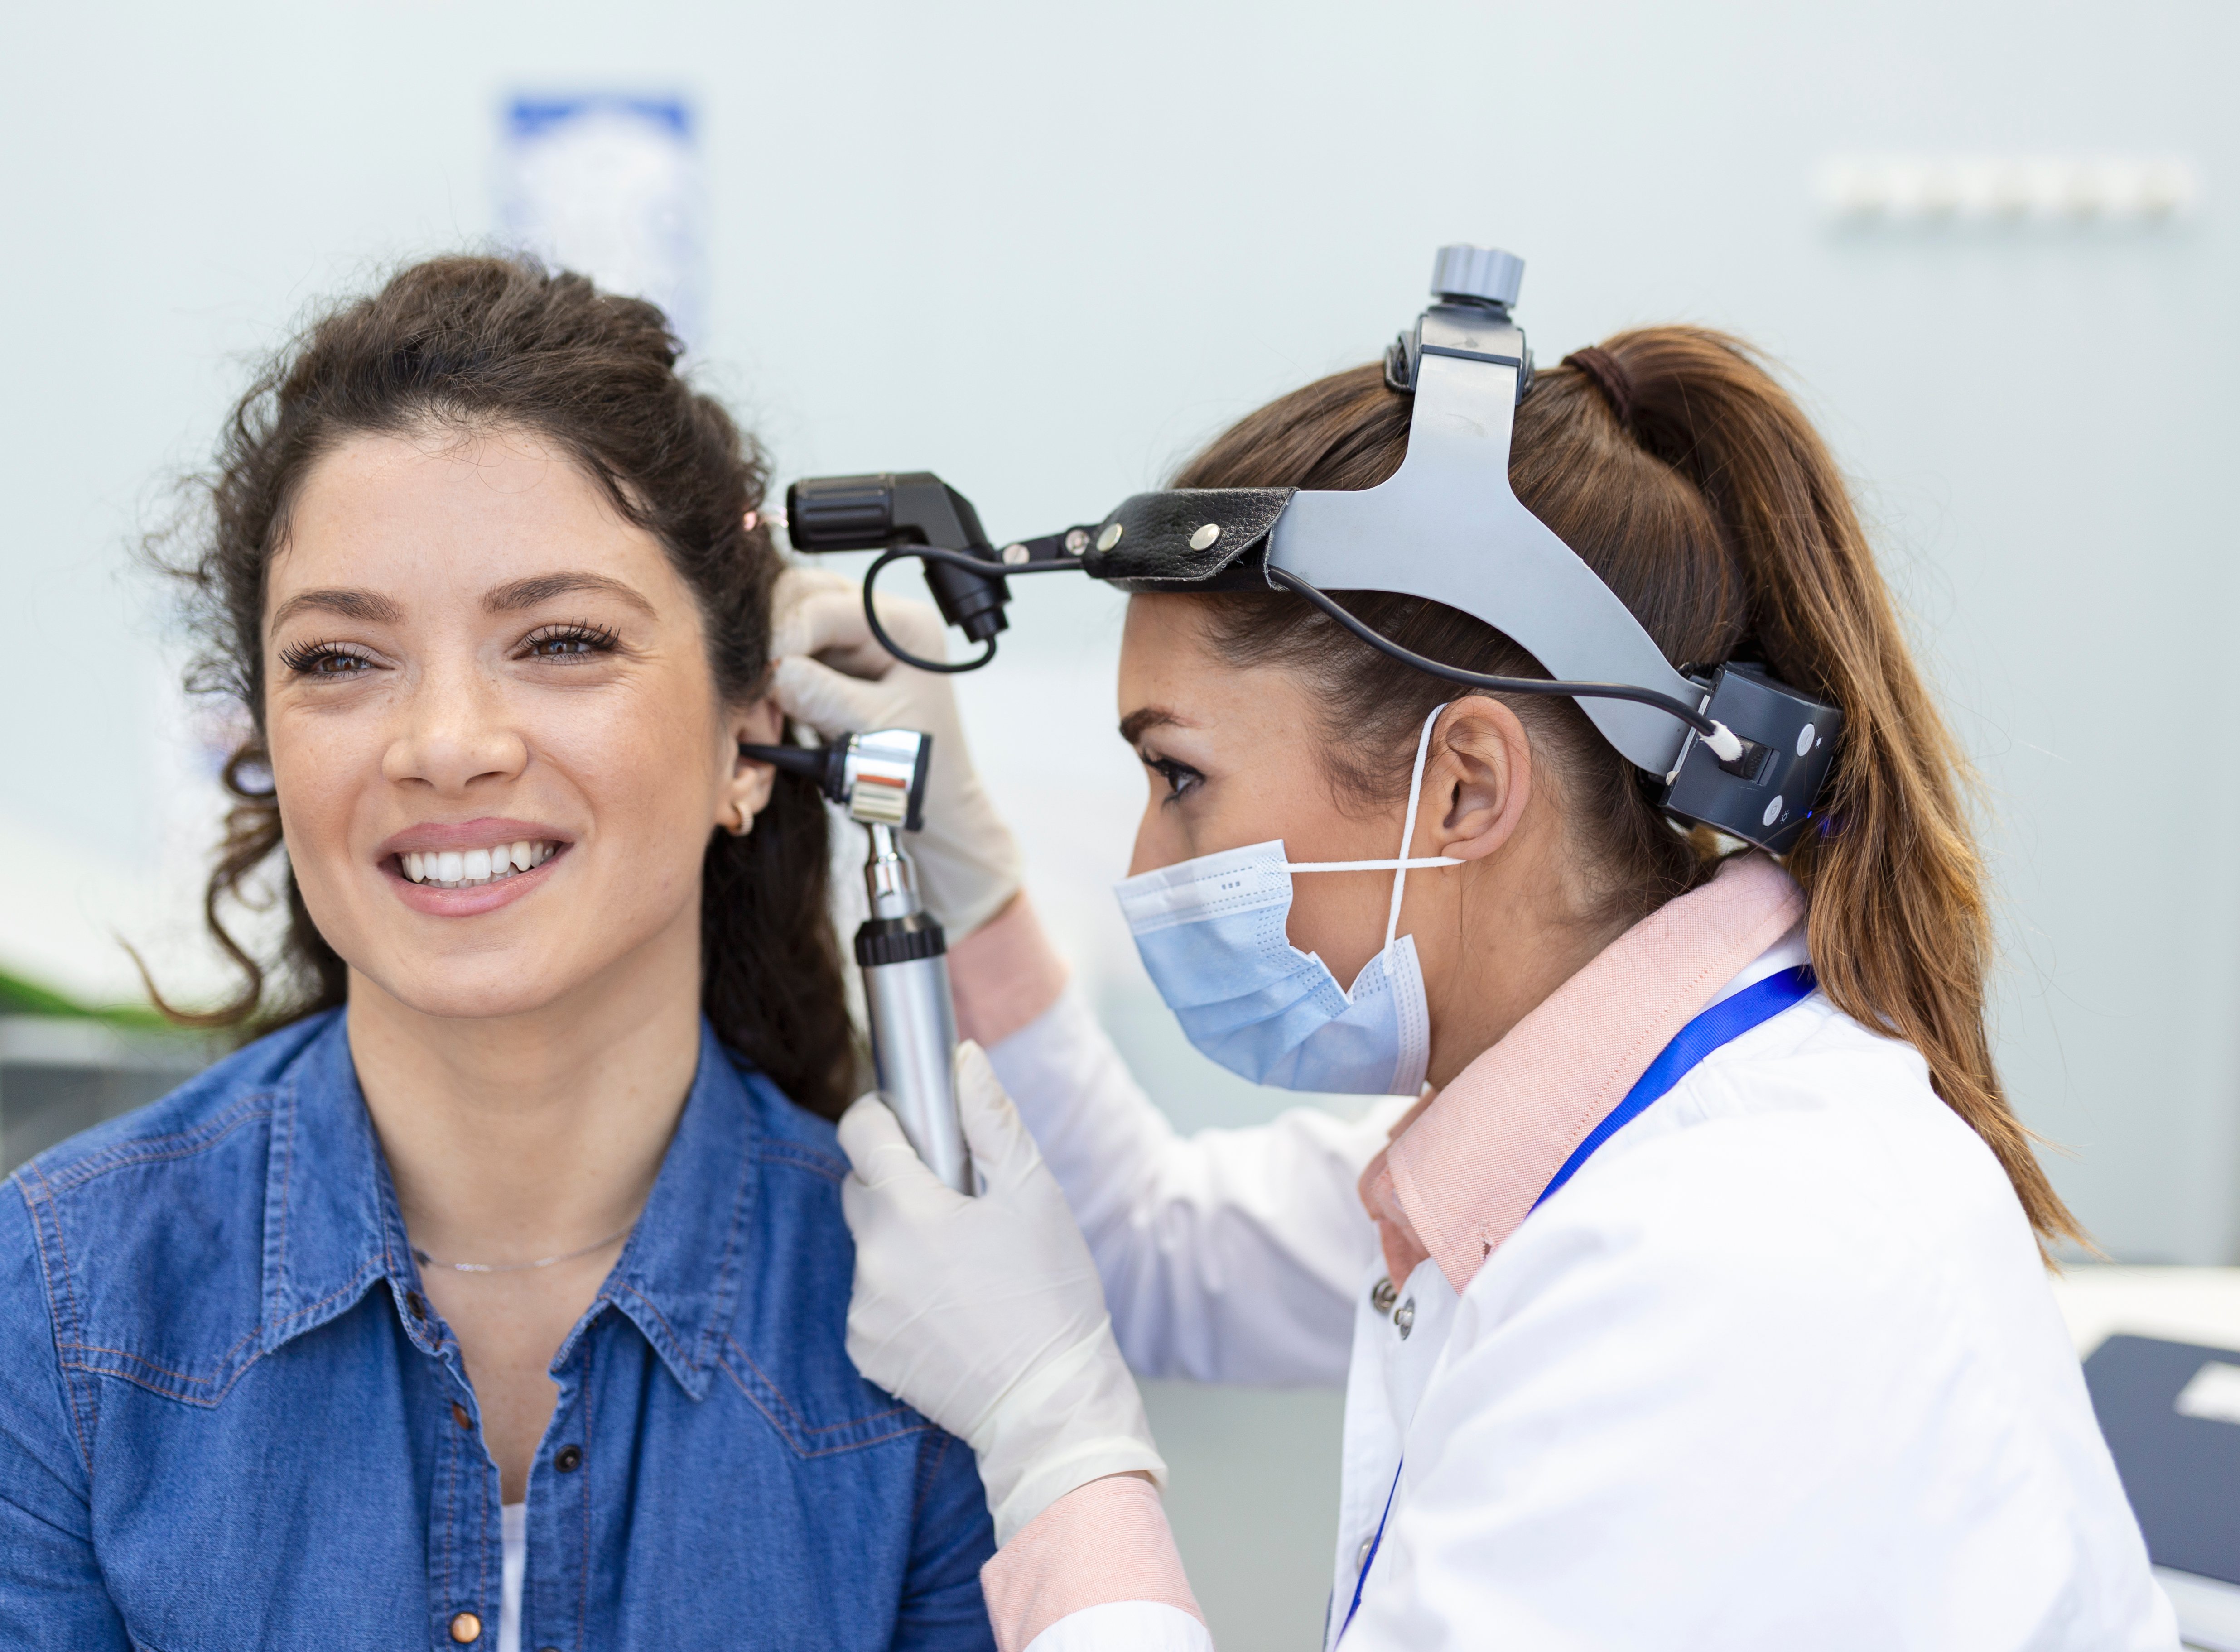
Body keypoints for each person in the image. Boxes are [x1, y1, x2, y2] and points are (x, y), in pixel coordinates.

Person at [776, 327, 2178, 1649]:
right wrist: (963, 865)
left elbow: (1096, 1314)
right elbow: (1147, 1251)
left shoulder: (1724, 1255)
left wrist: (1055, 1436)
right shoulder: (1595, 1125)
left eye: (1181, 779)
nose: (1149, 862)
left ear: (1464, 788)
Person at [0, 257, 997, 1651]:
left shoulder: (931, 1328)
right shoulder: (44, 1324)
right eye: (342, 661)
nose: (448, 744)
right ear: (266, 748)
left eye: (564, 639)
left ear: (747, 744)